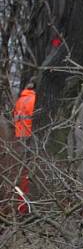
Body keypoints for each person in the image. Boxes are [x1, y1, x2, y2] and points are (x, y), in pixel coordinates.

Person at [12, 82, 35, 215]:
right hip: (30, 138)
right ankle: (23, 207)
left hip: (19, 137)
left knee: (20, 173)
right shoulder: (34, 99)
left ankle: (18, 204)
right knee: (27, 176)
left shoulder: (20, 100)